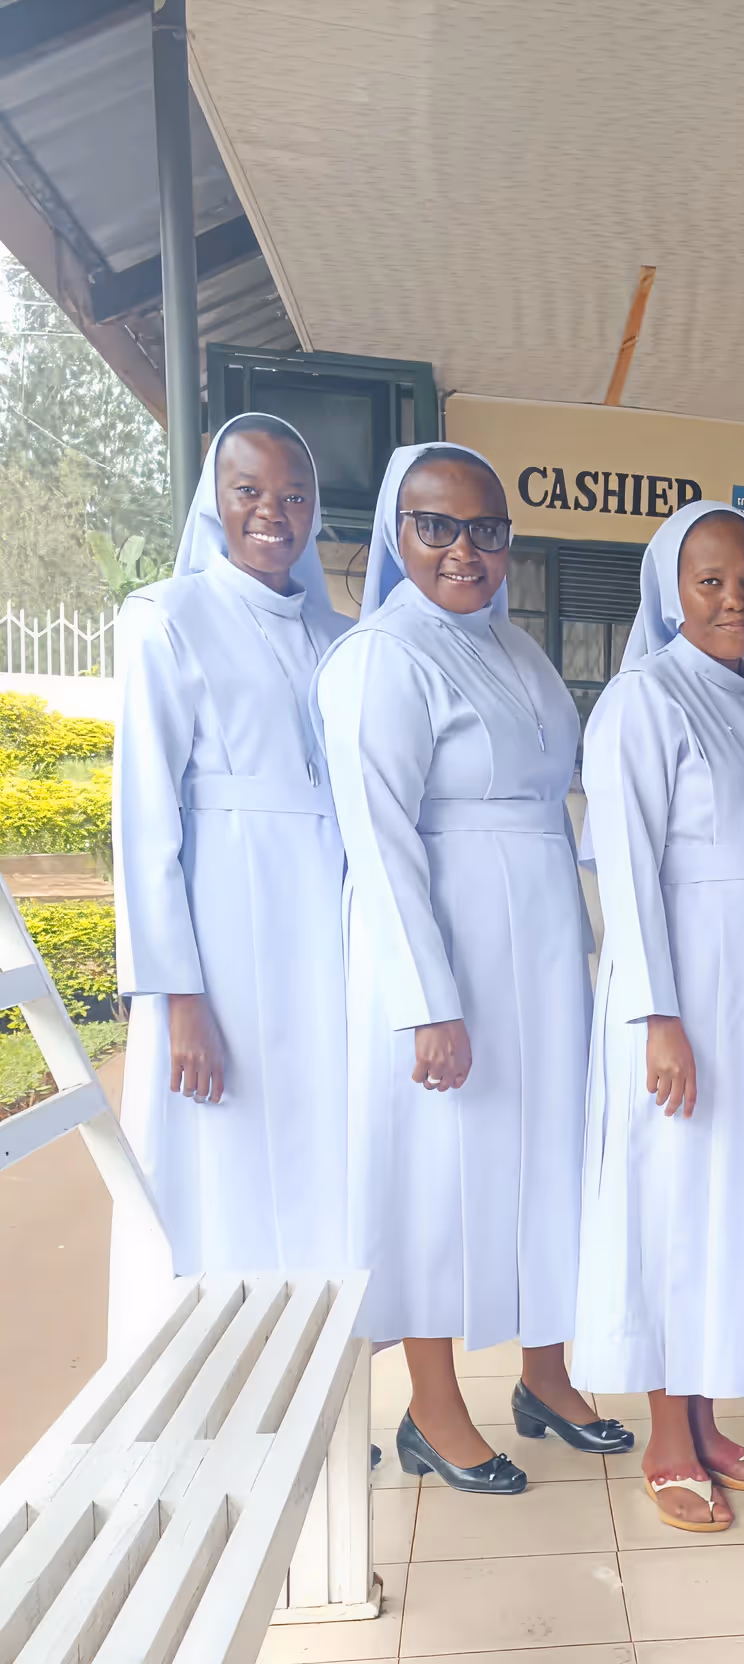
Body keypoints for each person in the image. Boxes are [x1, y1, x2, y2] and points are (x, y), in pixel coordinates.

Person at [315, 443, 629, 1494]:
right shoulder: (382, 658)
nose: (463, 549)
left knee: (544, 1159)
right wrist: (428, 1004)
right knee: (438, 1179)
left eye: (486, 530)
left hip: (537, 956)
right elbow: (381, 839)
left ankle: (547, 1375)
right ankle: (433, 1408)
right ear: (397, 537)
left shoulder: (519, 654)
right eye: (436, 525)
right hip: (446, 951)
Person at [574, 502, 744, 1531]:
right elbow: (627, 876)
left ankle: (709, 1416)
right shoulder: (641, 701)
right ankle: (669, 1430)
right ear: (670, 591)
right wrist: (658, 1018)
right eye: (711, 582)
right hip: (683, 987)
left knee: (735, 1202)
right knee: (674, 1196)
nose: (736, 602)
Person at [113, 414, 347, 1310]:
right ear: (215, 499)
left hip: (320, 939)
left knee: (314, 1162)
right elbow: (146, 819)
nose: (273, 512)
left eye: (293, 494)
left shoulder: (336, 635)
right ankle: (207, 1408)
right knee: (224, 1171)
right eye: (249, 490)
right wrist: (178, 999)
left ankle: (310, 1406)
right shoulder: (166, 618)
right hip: (222, 941)